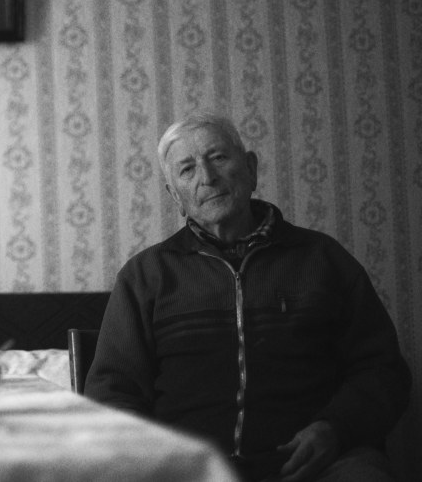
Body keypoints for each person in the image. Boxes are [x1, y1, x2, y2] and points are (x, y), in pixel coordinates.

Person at [84, 112, 411, 482]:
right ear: (175, 195)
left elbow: (383, 370)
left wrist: (335, 429)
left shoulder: (323, 260)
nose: (208, 177)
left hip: (320, 463)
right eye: (187, 169)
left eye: (219, 157)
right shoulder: (146, 276)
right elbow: (112, 391)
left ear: (251, 169)